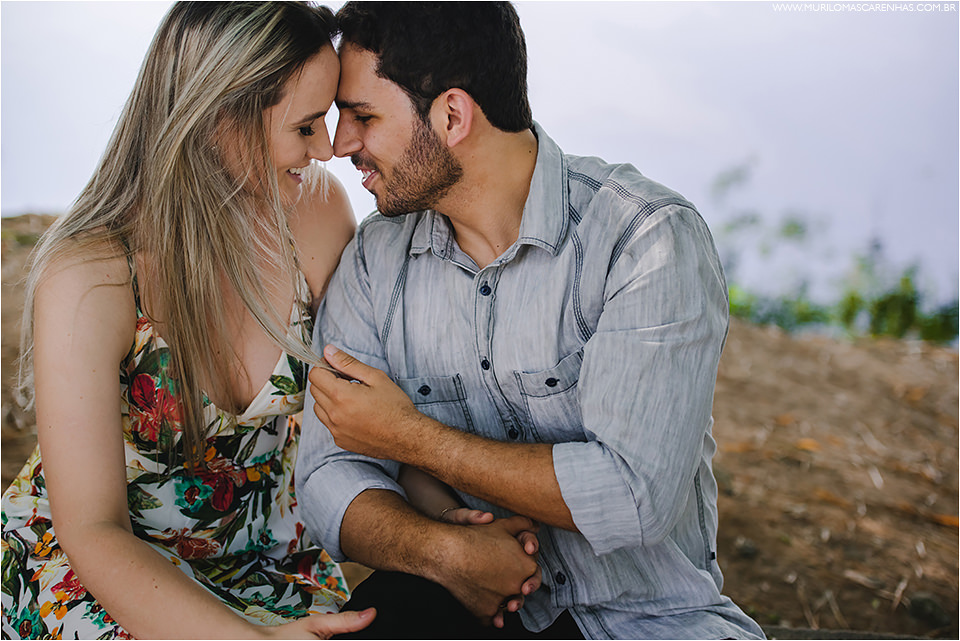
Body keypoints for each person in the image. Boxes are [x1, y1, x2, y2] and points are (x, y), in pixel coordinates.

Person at [0, 2, 486, 638]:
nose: (328, 150)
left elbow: (361, 408)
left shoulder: (314, 214)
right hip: (101, 576)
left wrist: (449, 527)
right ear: (219, 116)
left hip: (263, 569)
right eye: (307, 125)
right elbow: (93, 531)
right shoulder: (91, 275)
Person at [295, 2, 767, 639]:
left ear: (453, 115)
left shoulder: (643, 240)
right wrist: (443, 552)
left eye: (363, 116)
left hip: (650, 622)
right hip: (457, 607)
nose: (342, 143)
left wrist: (409, 438)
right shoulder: (378, 259)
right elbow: (328, 472)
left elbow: (632, 494)